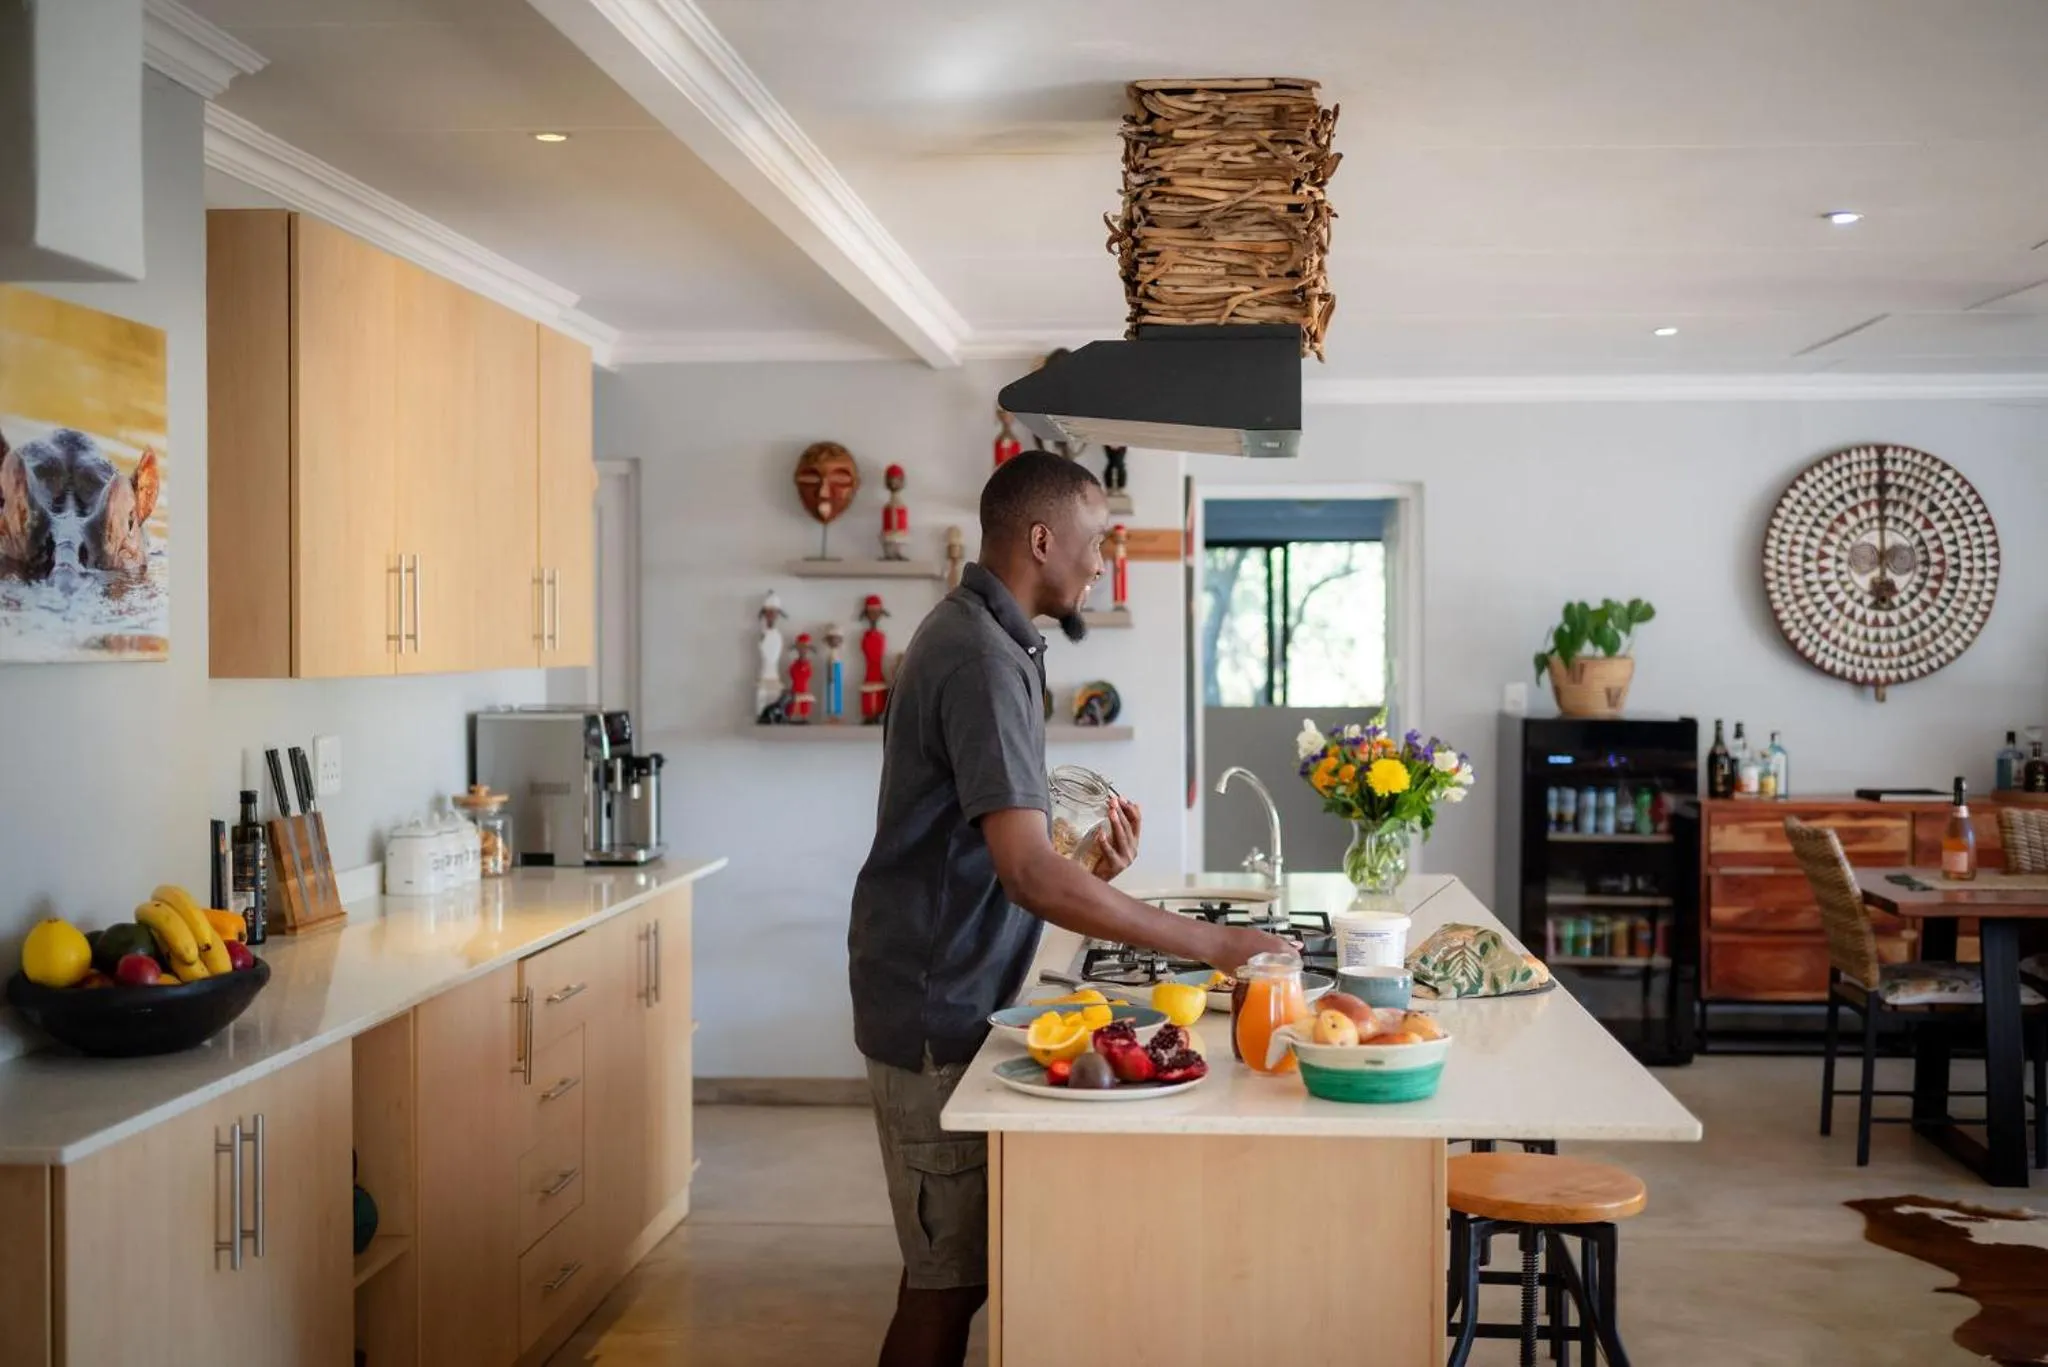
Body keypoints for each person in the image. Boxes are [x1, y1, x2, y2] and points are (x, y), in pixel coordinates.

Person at [848, 450, 1291, 1367]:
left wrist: (1084, 861)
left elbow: (1012, 854)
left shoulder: (992, 641)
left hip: (952, 986)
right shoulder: (978, 654)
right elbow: (1027, 876)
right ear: (1042, 539)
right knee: (946, 1283)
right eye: (1095, 542)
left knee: (954, 1272)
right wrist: (1213, 943)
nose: (1101, 561)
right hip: (937, 1001)